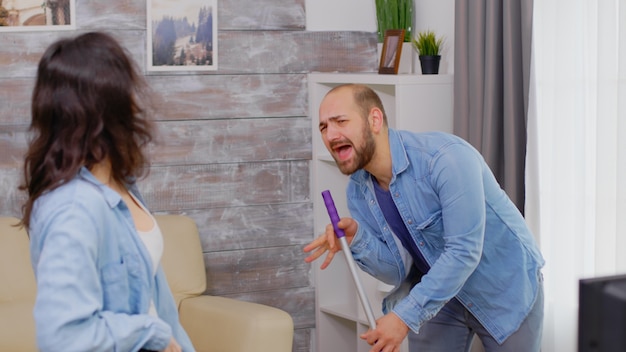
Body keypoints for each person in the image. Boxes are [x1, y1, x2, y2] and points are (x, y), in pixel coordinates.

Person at [304, 84, 545, 352]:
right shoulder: (359, 191)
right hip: (438, 293)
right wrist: (358, 239)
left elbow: (464, 251)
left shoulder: (445, 158)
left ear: (374, 120)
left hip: (503, 286)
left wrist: (403, 317)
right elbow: (397, 270)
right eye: (324, 127)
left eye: (340, 121)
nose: (331, 134)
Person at [19, 32, 195, 352]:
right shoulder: (75, 206)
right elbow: (63, 338)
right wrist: (152, 333)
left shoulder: (121, 185)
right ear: (108, 102)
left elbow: (154, 301)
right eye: (126, 86)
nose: (135, 99)